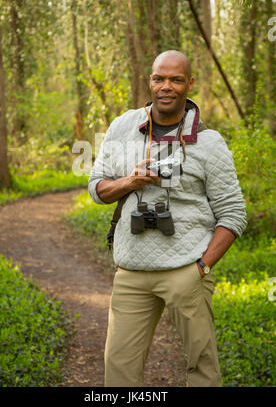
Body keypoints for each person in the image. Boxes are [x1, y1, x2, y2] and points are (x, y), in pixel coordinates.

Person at [88, 50, 247, 387]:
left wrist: (201, 267)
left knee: (202, 367)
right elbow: (97, 188)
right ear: (150, 81)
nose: (166, 86)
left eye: (176, 79)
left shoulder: (209, 142)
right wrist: (131, 181)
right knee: (118, 370)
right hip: (131, 271)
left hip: (185, 271)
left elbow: (233, 213)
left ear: (189, 84)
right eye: (159, 78)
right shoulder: (122, 127)